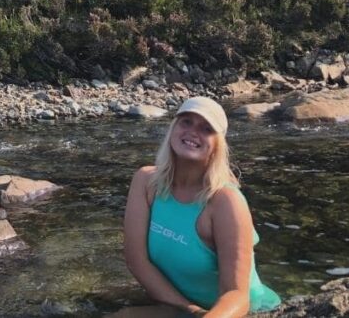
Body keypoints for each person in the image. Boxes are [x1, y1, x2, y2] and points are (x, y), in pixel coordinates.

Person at [118, 97, 281, 317]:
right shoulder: (146, 182)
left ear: (217, 145)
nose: (193, 132)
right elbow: (136, 260)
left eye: (206, 128)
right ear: (173, 128)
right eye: (186, 122)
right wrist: (190, 311)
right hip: (186, 307)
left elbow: (236, 294)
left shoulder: (225, 202)